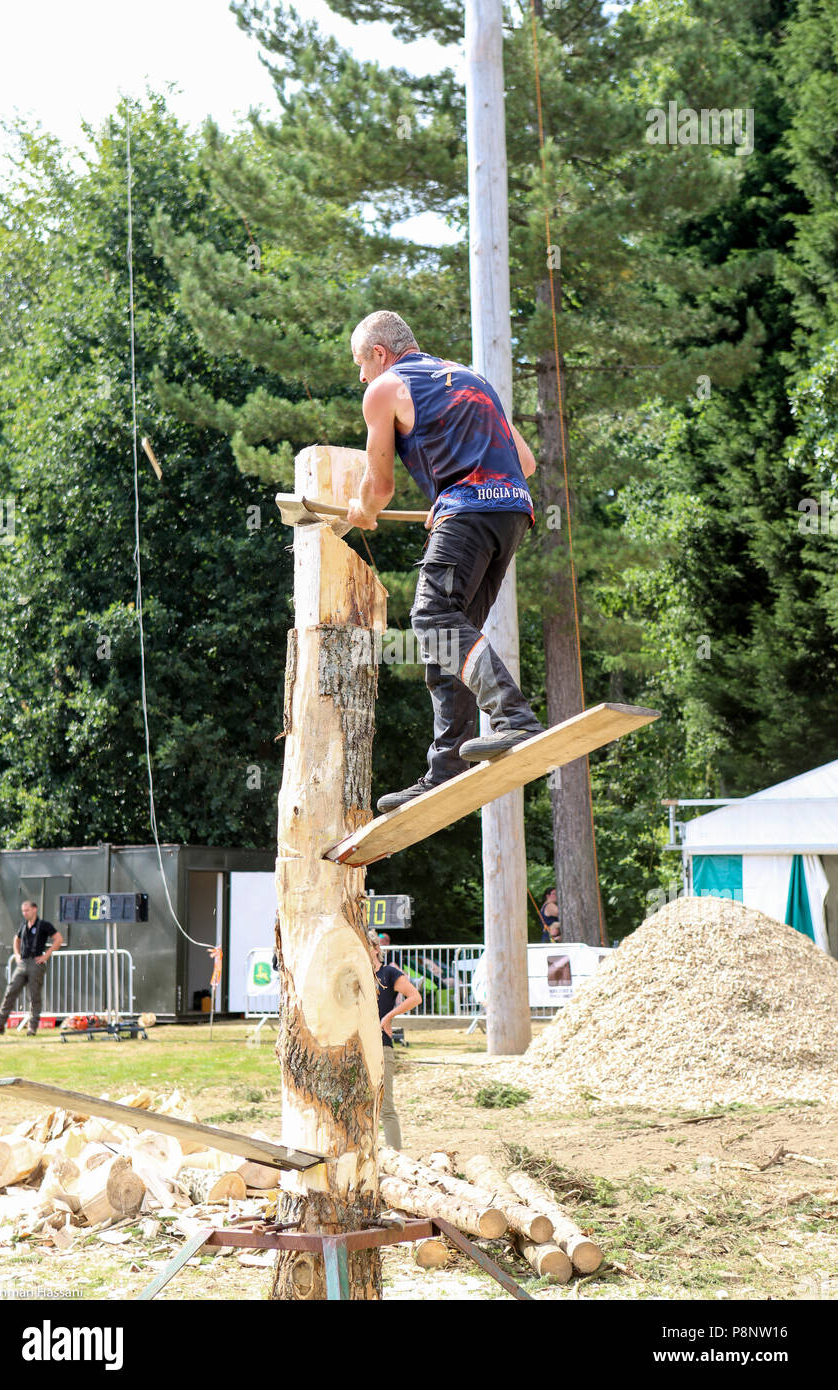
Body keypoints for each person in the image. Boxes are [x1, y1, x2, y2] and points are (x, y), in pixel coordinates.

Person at [347, 310, 545, 812]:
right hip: (512, 513)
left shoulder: (385, 388)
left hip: (470, 509)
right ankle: (445, 769)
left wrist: (361, 511)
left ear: (379, 352)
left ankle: (514, 719)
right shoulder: (471, 377)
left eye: (361, 364)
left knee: (432, 619)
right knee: (450, 641)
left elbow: (382, 486)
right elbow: (525, 462)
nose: (361, 378)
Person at [369, 930, 421, 1150]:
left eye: (368, 946)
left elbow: (415, 997)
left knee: (386, 1106)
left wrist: (388, 1017)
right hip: (356, 1048)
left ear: (377, 949)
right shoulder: (354, 974)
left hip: (381, 1044)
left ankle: (395, 1155)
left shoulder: (389, 973)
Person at [0, 900, 63, 1035]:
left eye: (27, 910)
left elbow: (59, 939)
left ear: (34, 909)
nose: (25, 913)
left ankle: (32, 1027)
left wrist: (46, 955)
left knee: (34, 996)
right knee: (10, 992)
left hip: (36, 963)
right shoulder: (23, 926)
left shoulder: (44, 925)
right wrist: (17, 955)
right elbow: (16, 939)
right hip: (23, 963)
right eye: (23, 911)